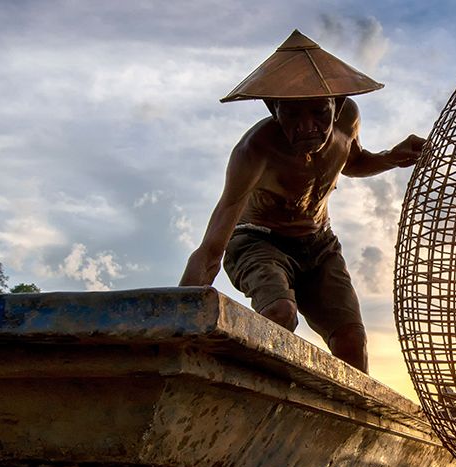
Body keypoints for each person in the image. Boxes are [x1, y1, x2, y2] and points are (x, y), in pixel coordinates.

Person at [179, 30, 424, 373]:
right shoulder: (255, 150)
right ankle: (259, 398)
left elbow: (352, 162)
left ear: (337, 106)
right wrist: (177, 320)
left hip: (319, 244)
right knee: (279, 313)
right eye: (291, 114)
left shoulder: (347, 120)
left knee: (352, 341)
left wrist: (391, 157)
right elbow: (212, 246)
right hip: (257, 240)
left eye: (319, 113)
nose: (307, 127)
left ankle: (349, 422)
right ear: (273, 109)